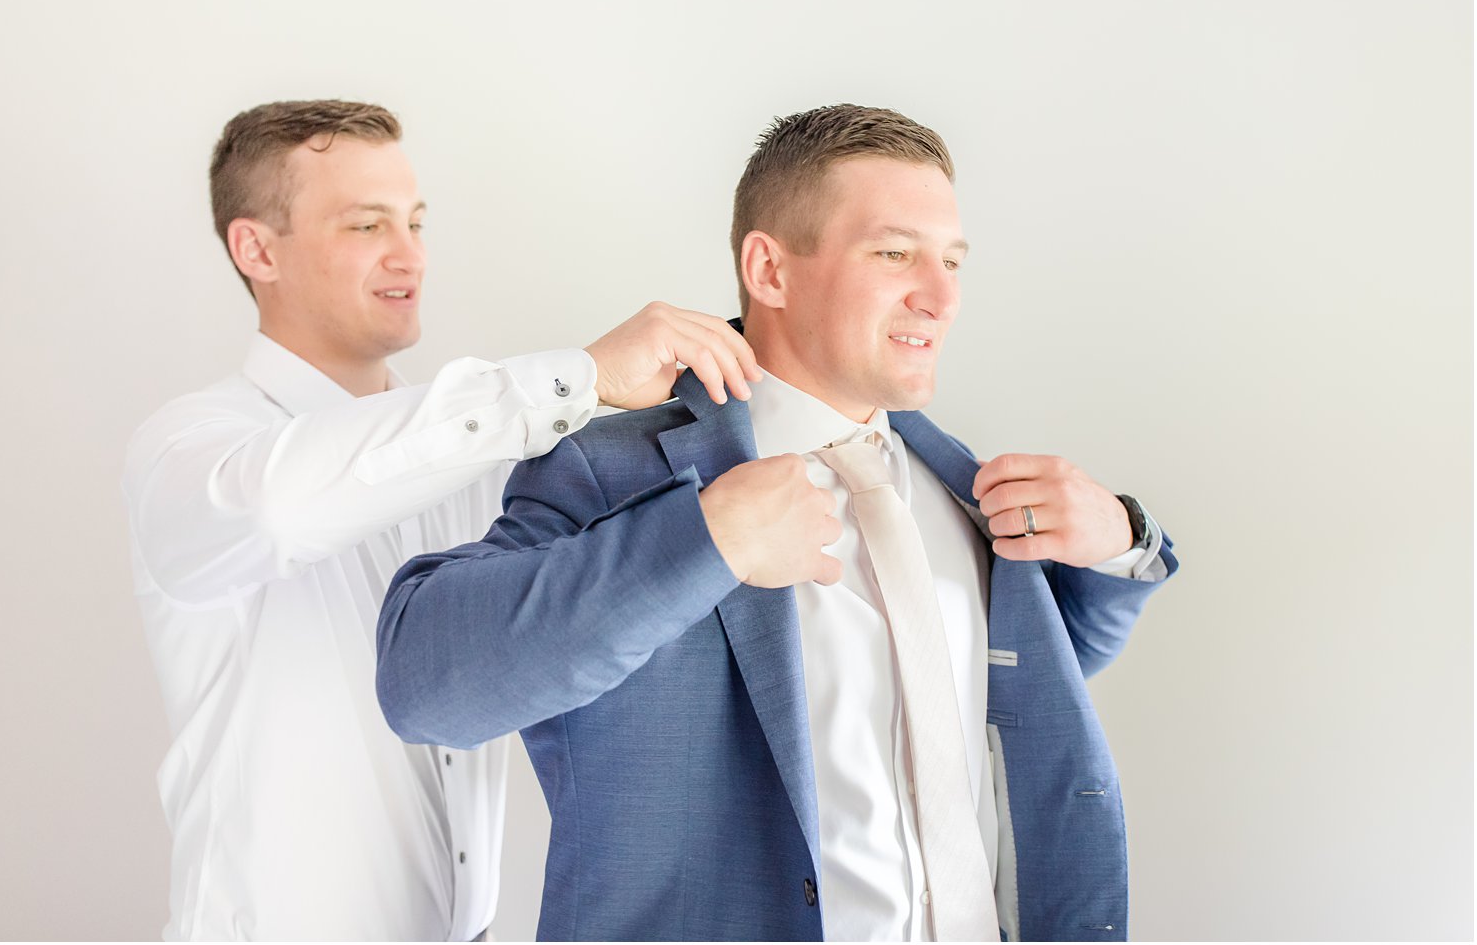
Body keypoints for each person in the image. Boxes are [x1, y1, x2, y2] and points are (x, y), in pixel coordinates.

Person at [374, 104, 1178, 941]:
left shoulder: (960, 483)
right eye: (895, 253)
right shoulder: (609, 471)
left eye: (952, 260)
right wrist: (702, 541)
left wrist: (1119, 547)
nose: (940, 296)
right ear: (770, 269)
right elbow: (427, 688)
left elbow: (1009, 684)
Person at [121, 99, 760, 941]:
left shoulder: (476, 458)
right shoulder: (190, 447)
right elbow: (278, 510)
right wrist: (580, 377)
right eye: (365, 225)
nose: (409, 254)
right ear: (256, 248)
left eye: (416, 221)